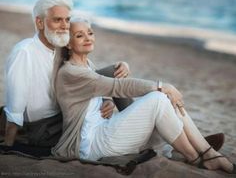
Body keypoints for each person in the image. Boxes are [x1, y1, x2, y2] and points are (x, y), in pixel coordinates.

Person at [51, 17, 235, 174]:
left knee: (166, 104)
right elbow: (117, 86)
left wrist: (120, 69)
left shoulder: (86, 64)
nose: (87, 38)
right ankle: (195, 157)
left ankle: (207, 152)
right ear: (68, 43)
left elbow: (100, 79)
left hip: (105, 130)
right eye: (79, 35)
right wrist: (163, 86)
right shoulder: (70, 73)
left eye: (90, 33)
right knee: (158, 99)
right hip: (92, 144)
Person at [2, 0, 127, 148]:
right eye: (57, 20)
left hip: (67, 113)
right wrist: (8, 145)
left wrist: (106, 100)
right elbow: (15, 106)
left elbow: (90, 75)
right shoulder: (24, 52)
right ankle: (131, 131)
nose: (65, 26)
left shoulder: (61, 46)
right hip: (46, 129)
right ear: (40, 22)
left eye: (67, 20)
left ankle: (132, 125)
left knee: (116, 71)